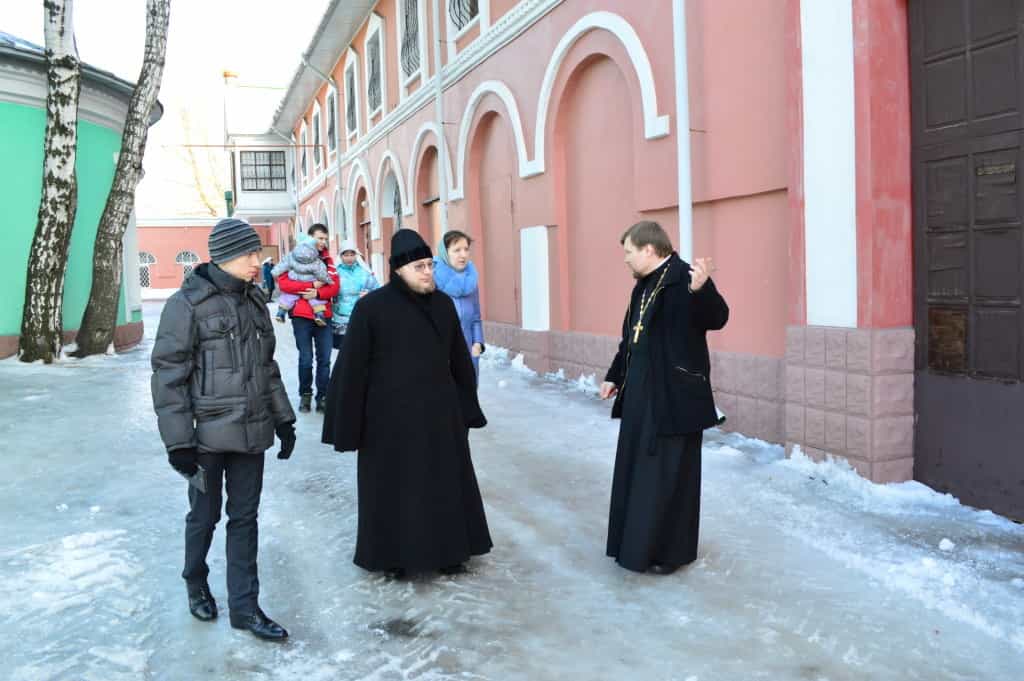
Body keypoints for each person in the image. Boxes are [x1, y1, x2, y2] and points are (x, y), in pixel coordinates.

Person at [151, 217, 296, 641]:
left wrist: (283, 418)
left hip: (251, 432)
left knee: (244, 519)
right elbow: (168, 375)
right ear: (227, 255)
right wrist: (179, 442)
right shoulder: (188, 304)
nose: (258, 261)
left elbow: (266, 369)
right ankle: (195, 581)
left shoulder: (255, 301)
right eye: (251, 254)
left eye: (258, 253)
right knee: (204, 515)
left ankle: (245, 609)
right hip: (205, 438)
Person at [322, 229, 492, 578]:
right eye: (419, 267)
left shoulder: (443, 305)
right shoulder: (371, 308)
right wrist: (347, 425)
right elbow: (353, 368)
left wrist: (467, 410)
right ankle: (393, 557)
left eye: (430, 265)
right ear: (398, 270)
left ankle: (450, 552)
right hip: (389, 421)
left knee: (444, 484)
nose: (427, 272)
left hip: (440, 415)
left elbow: (459, 362)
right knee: (396, 490)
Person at [599, 220, 728, 575]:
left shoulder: (686, 277)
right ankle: (634, 545)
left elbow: (718, 318)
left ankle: (667, 553)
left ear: (649, 250)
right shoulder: (642, 286)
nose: (625, 260)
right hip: (642, 395)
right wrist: (615, 375)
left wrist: (703, 290)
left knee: (670, 477)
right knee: (639, 473)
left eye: (628, 252)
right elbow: (631, 338)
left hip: (675, 399)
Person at [277, 223, 339, 414]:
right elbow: (284, 283)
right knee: (306, 358)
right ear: (309, 238)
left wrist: (317, 293)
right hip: (301, 317)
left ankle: (323, 397)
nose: (323, 241)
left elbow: (334, 287)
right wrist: (311, 285)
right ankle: (305, 395)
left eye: (324, 238)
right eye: (319, 238)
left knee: (325, 359)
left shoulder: (328, 261)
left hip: (324, 316)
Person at [433, 230, 484, 380]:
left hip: (468, 352)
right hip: (441, 354)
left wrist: (478, 343)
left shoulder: (471, 280)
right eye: (457, 250)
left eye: (466, 249)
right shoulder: (432, 279)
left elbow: (476, 317)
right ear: (445, 252)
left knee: (468, 398)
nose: (463, 255)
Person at [331, 239, 378, 355]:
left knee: (361, 351)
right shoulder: (334, 273)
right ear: (340, 256)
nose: (349, 258)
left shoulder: (364, 271)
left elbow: (377, 289)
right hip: (340, 319)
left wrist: (369, 294)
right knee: (344, 353)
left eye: (352, 254)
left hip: (361, 317)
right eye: (346, 255)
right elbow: (327, 291)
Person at [271, 236, 332, 326]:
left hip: (295, 279)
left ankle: (281, 312)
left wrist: (274, 272)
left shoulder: (291, 257)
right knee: (315, 300)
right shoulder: (316, 260)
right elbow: (321, 271)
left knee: (288, 297)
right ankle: (319, 315)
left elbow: (283, 265)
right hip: (310, 281)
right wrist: (326, 279)